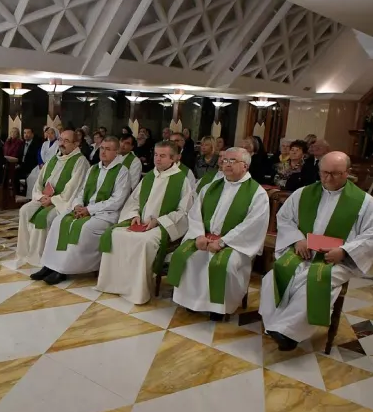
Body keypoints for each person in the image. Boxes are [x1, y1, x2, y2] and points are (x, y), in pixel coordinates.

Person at [259, 152, 373, 351]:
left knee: (313, 282)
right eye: (324, 172)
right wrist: (297, 239)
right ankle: (274, 325)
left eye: (335, 174)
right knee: (273, 277)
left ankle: (288, 334)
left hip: (336, 260)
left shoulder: (365, 203)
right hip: (304, 253)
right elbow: (284, 218)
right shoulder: (303, 193)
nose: (328, 178)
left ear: (347, 172)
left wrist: (344, 251)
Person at [170, 148, 270, 320]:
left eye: (233, 161)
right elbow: (195, 213)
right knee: (186, 256)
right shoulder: (211, 187)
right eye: (225, 161)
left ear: (245, 166)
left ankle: (218, 308)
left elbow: (252, 225)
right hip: (205, 237)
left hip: (235, 244)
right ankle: (192, 301)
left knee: (225, 264)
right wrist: (199, 235)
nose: (227, 164)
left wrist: (223, 242)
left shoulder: (257, 194)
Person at [96, 140, 194, 304]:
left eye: (162, 156)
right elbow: (134, 200)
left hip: (162, 226)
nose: (157, 159)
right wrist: (134, 215)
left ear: (173, 159)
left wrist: (158, 221)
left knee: (144, 242)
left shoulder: (181, 180)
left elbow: (183, 211)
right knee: (115, 234)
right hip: (140, 222)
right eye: (156, 155)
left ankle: (137, 290)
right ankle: (115, 284)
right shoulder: (149, 176)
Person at [32, 136, 130, 284]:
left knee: (83, 228)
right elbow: (81, 191)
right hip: (84, 209)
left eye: (108, 149)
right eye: (102, 148)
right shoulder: (93, 168)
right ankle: (49, 265)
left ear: (116, 152)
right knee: (58, 221)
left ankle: (63, 270)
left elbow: (117, 200)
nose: (103, 152)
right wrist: (77, 205)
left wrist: (89, 209)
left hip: (105, 214)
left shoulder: (122, 172)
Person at [17, 129, 90, 266]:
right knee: (24, 210)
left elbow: (73, 187)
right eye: (60, 140)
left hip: (63, 202)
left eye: (66, 141)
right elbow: (39, 182)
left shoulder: (80, 162)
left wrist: (52, 200)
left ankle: (42, 257)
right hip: (45, 198)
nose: (61, 143)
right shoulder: (54, 159)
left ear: (76, 143)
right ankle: (26, 252)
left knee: (45, 217)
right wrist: (40, 196)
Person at [25, 126, 60, 199]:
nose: (50, 135)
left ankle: (42, 197)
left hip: (51, 167)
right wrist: (40, 163)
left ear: (56, 134)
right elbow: (39, 154)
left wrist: (48, 165)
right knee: (31, 177)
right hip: (41, 165)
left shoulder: (58, 144)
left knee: (42, 179)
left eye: (52, 133)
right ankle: (32, 197)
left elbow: (57, 156)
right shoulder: (45, 143)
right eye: (48, 133)